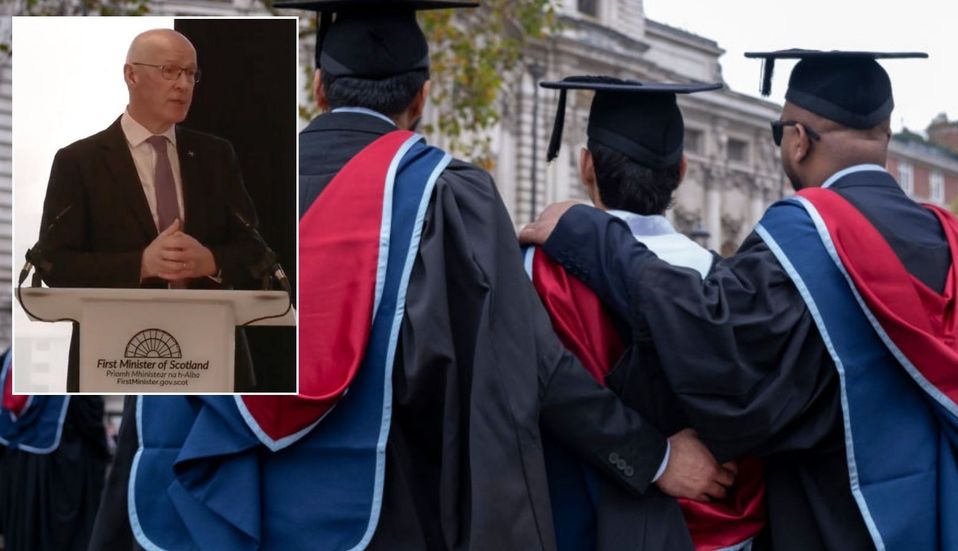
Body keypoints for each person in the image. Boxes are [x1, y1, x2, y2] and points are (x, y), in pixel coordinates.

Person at [89, 3, 732, 550]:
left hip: (197, 510)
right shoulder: (448, 195)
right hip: (377, 518)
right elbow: (529, 364)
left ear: (317, 88)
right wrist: (654, 456)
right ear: (420, 98)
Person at [520, 50, 958, 550]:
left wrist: (595, 236)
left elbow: (719, 346)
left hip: (840, 521)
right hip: (949, 512)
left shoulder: (810, 241)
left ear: (798, 141)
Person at [524, 76, 764, 551]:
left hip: (570, 521)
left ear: (586, 165)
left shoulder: (533, 268)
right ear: (681, 170)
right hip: (708, 531)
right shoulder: (725, 282)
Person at [35, 28, 265, 392]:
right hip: (118, 357)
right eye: (170, 71)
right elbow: (54, 264)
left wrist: (211, 261)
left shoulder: (216, 156)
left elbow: (257, 252)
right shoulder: (79, 162)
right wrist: (140, 264)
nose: (183, 85)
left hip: (211, 354)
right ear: (131, 75)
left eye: (191, 74)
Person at [0, 349, 110, 551]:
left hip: (15, 463)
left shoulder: (11, 355)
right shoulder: (71, 360)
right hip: (60, 469)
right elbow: (90, 420)